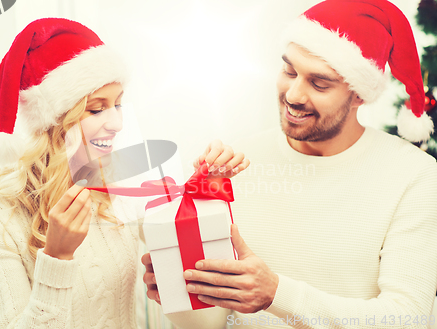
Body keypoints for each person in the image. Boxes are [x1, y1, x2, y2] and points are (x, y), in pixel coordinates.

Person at [143, 0, 437, 328]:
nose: (293, 94)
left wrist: (276, 294)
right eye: (289, 71)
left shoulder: (414, 176)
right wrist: (179, 289)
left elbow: (406, 318)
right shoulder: (236, 163)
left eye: (319, 83)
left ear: (358, 95)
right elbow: (210, 323)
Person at [0, 18, 249, 328]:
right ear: (54, 120)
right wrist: (57, 257)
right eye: (97, 108)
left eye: (118, 104)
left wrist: (203, 195)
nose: (116, 123)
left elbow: (202, 313)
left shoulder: (121, 185)